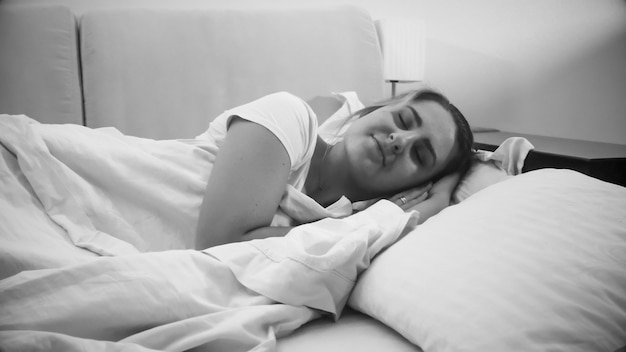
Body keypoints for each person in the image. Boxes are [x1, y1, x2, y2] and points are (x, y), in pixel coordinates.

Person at [195, 87, 474, 249]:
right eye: (402, 119)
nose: (400, 140)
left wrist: (438, 201)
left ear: (416, 187)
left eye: (421, 155)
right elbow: (221, 247)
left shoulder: (347, 221)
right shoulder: (290, 118)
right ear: (377, 109)